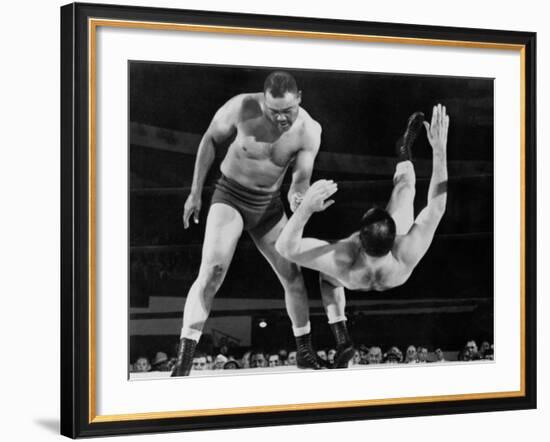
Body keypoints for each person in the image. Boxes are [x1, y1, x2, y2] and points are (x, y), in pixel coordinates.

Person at [172, 71, 350, 376]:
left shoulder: (309, 130)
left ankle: (304, 351)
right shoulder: (241, 107)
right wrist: (195, 192)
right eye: (274, 112)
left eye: (288, 111)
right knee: (212, 271)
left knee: (292, 274)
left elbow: (300, 180)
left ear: (300, 99)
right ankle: (184, 360)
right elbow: (210, 139)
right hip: (230, 196)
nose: (281, 119)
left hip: (268, 205)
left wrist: (300, 201)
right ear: (263, 101)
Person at [275, 104, 449, 296]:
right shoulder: (406, 252)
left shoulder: (343, 256)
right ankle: (403, 150)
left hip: (350, 278)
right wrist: (439, 150)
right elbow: (436, 207)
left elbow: (285, 248)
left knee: (328, 280)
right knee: (406, 187)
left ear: (357, 239)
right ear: (396, 239)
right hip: (392, 276)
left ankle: (337, 320)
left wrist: (305, 209)